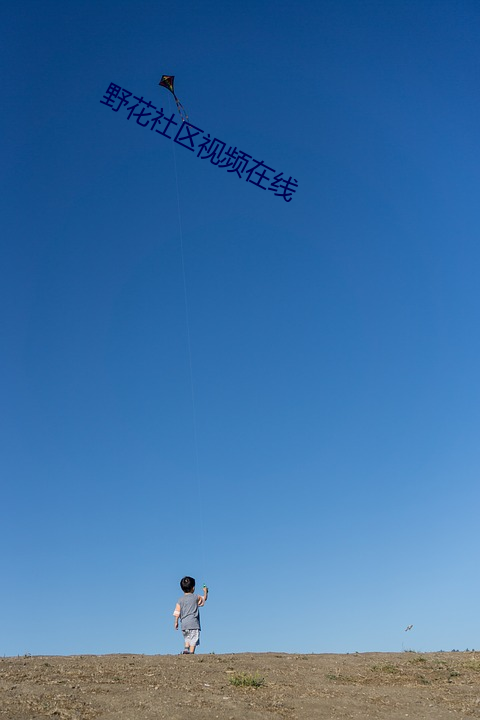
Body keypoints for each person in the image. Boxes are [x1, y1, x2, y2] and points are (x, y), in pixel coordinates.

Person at [173, 576, 208, 654]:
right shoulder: (196, 597)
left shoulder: (180, 600)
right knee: (193, 639)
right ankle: (191, 653)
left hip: (184, 624)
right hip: (193, 623)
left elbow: (177, 611)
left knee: (187, 637)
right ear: (193, 588)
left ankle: (186, 649)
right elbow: (204, 599)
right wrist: (205, 591)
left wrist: (176, 622)